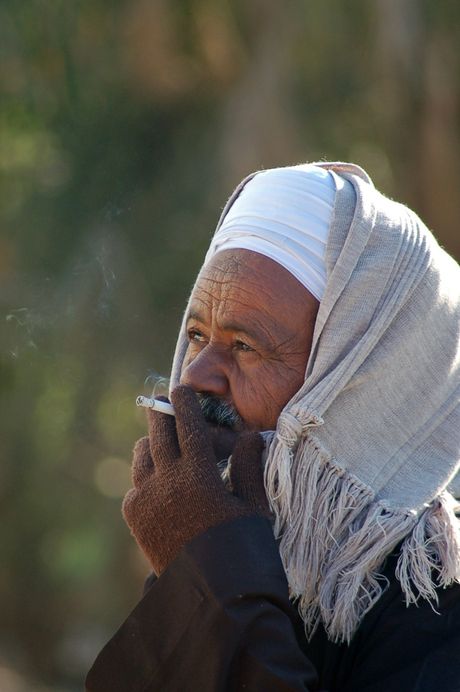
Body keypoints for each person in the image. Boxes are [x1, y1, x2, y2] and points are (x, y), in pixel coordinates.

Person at [85, 162, 460, 691]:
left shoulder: (437, 601)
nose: (191, 379)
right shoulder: (262, 540)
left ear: (356, 383)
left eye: (245, 346)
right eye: (196, 334)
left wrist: (212, 566)